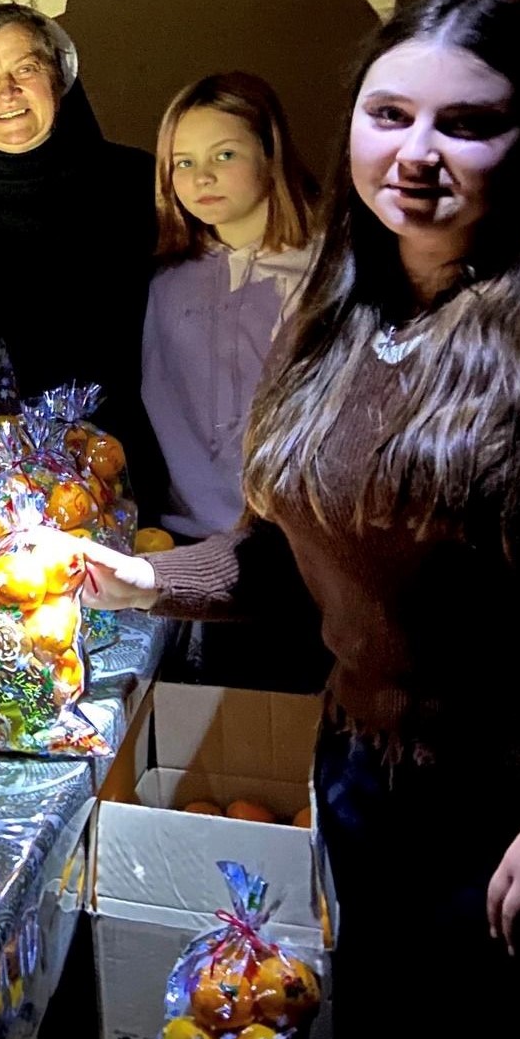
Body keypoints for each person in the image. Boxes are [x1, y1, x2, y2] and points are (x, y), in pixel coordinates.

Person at [74, 0, 520, 1039]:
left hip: (514, 809)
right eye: (387, 113)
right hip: (354, 777)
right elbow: (286, 556)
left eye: (465, 123)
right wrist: (141, 578)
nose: (415, 152)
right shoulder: (334, 311)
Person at [0, 3, 157, 462]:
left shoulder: (137, 184)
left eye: (25, 69)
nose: (8, 91)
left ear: (57, 78)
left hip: (129, 463)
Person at [143, 72, 328, 691]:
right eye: (183, 163)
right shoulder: (168, 283)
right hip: (195, 554)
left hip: (302, 561)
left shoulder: (330, 274)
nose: (202, 178)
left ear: (270, 154)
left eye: (225, 155)